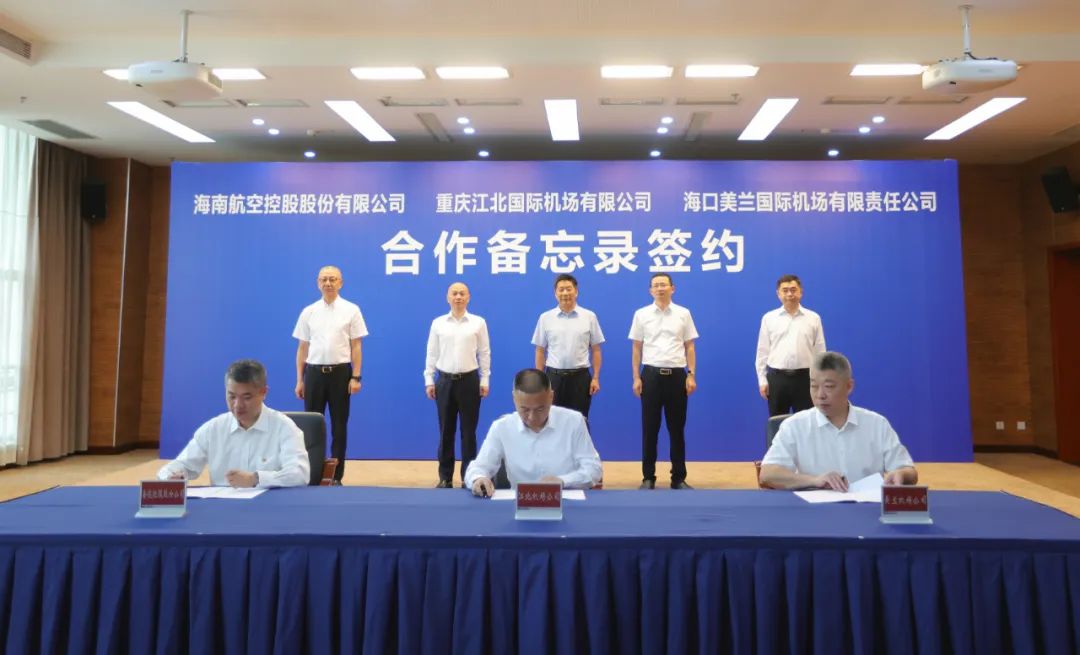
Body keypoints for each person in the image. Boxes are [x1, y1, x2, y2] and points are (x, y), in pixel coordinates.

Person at [759, 351, 917, 491]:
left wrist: (901, 475)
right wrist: (814, 481)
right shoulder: (795, 426)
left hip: (867, 510)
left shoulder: (877, 424)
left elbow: (908, 471)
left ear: (849, 386)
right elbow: (767, 474)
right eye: (814, 386)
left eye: (828, 386)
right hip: (815, 511)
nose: (820, 395)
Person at [158, 359, 309, 487]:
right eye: (232, 396)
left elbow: (300, 474)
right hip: (222, 508)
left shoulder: (284, 427)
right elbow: (180, 465)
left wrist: (256, 479)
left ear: (264, 393)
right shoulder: (214, 428)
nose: (237, 405)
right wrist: (171, 476)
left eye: (246, 397)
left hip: (269, 507)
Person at [465, 368, 602, 497]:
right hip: (519, 504)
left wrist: (563, 481)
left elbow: (594, 469)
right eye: (525, 409)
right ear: (514, 398)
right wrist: (479, 479)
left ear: (551, 396)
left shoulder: (573, 421)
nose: (532, 417)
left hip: (566, 502)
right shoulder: (501, 427)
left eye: (540, 409)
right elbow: (478, 468)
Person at [293, 265, 368, 483]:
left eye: (333, 279)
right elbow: (302, 348)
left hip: (340, 375)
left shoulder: (351, 310)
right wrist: (299, 380)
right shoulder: (308, 312)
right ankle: (312, 474)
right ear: (318, 283)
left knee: (339, 427)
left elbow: (356, 346)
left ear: (340, 283)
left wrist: (356, 377)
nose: (328, 283)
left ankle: (335, 476)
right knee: (311, 428)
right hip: (314, 374)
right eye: (324, 279)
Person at [629, 272, 699, 490]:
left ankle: (678, 477)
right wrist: (636, 377)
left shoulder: (683, 313)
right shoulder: (641, 314)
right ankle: (648, 477)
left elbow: (689, 346)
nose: (660, 288)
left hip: (677, 376)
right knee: (650, 429)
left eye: (664, 285)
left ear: (672, 288)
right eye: (656, 285)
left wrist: (691, 374)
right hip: (650, 376)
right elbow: (637, 348)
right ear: (650, 290)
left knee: (677, 429)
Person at [425, 281, 491, 488]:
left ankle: (468, 477)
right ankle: (445, 477)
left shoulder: (478, 323)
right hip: (444, 381)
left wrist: (485, 378)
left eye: (462, 293)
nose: (458, 297)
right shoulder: (438, 323)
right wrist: (429, 379)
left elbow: (484, 353)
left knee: (469, 433)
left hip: (469, 381)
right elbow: (432, 353)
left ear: (468, 297)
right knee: (446, 431)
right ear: (448, 297)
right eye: (454, 293)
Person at [531, 273, 605, 420]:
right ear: (555, 293)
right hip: (554, 378)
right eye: (561, 289)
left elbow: (596, 349)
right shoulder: (545, 318)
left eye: (569, 289)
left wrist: (596, 377)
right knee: (552, 421)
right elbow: (540, 350)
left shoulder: (589, 316)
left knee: (580, 421)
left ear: (576, 291)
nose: (565, 293)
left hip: (580, 379)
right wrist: (540, 381)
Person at [755, 274, 826, 417]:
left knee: (807, 422)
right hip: (777, 379)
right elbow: (762, 352)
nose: (789, 294)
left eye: (793, 290)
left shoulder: (813, 318)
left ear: (801, 292)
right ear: (778, 294)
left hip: (805, 379)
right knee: (777, 423)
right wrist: (762, 380)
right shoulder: (769, 318)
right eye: (785, 290)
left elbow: (820, 352)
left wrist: (820, 380)